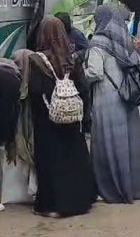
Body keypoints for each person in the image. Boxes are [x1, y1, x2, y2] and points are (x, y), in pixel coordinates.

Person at [22, 17, 96, 217]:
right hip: (72, 117)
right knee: (73, 158)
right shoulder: (72, 58)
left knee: (51, 161)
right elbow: (83, 86)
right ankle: (78, 202)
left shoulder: (36, 60)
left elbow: (35, 91)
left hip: (47, 120)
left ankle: (52, 205)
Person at [85, 5, 140, 204]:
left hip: (106, 99)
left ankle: (112, 189)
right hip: (126, 97)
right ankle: (133, 188)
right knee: (128, 145)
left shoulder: (98, 42)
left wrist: (80, 71)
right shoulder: (125, 40)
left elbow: (94, 73)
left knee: (107, 145)